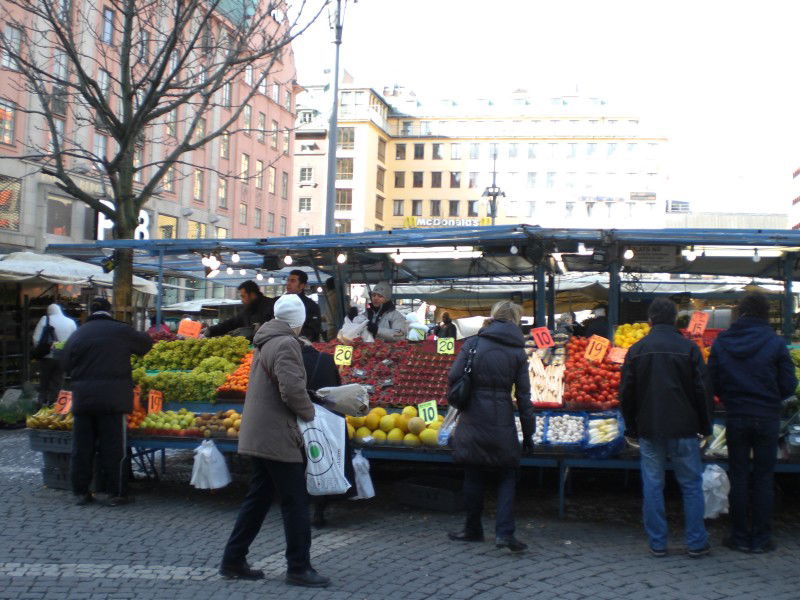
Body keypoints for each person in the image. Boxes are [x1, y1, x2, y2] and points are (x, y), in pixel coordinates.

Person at [220, 294, 329, 588]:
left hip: (259, 430)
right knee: (295, 500)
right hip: (276, 434)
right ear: (299, 320)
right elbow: (292, 391)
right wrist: (310, 415)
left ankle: (233, 559)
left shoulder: (265, 339)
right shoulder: (286, 343)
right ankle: (298, 567)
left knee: (258, 497)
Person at [619, 298, 713, 558]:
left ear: (650, 320)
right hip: (685, 428)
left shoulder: (637, 350)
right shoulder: (689, 349)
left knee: (652, 484)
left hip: (650, 428)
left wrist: (631, 427)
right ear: (674, 320)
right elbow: (702, 390)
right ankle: (696, 542)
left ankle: (657, 543)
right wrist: (705, 426)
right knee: (691, 484)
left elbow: (626, 393)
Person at [708, 292, 797, 554]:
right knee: (763, 477)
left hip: (736, 415)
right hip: (768, 417)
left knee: (738, 475)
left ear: (741, 312)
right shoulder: (775, 342)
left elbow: (712, 378)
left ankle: (738, 535)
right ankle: (760, 538)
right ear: (764, 313)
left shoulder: (723, 341)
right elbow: (789, 384)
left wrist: (728, 397)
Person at [447, 300, 534, 553]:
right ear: (516, 321)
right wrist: (529, 434)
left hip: (473, 415)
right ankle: (505, 533)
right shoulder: (518, 352)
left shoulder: (473, 343)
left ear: (493, 317)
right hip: (502, 420)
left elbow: (454, 376)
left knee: (473, 472)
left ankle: (472, 528)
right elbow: (525, 397)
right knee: (507, 474)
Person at [61, 297, 153, 506]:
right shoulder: (121, 330)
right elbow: (146, 344)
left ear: (90, 312)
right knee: (113, 447)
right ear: (109, 312)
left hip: (84, 400)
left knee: (82, 447)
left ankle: (80, 492)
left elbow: (64, 361)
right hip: (113, 400)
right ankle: (115, 493)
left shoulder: (78, 333)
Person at [297, 336, 356, 528]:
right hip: (327, 418)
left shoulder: (291, 362)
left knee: (305, 463)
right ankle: (321, 509)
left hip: (301, 419)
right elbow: (337, 390)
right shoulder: (327, 359)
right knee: (325, 461)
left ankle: (303, 506)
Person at [32, 303, 77, 406]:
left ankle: (42, 404)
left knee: (44, 382)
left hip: (47, 357)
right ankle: (54, 404)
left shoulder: (45, 319)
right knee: (57, 382)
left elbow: (36, 338)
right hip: (63, 357)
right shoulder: (70, 322)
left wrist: (41, 349)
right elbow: (75, 340)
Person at [207, 280, 274, 340]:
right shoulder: (247, 311)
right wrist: (211, 330)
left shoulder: (271, 306)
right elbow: (230, 323)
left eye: (243, 296)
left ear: (252, 295)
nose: (242, 300)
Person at [286, 270, 322, 342]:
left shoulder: (311, 306)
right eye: (288, 280)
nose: (288, 283)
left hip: (303, 347)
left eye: (292, 281)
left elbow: (313, 330)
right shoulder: (280, 303)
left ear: (302, 286)